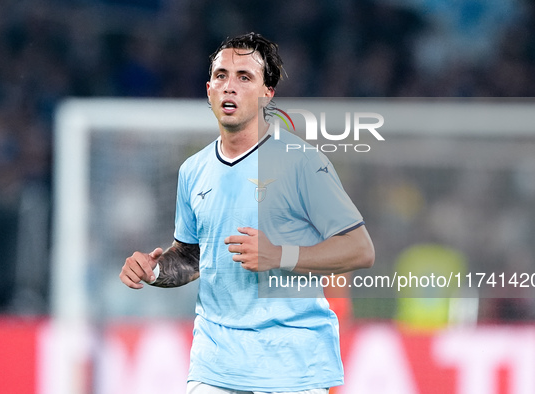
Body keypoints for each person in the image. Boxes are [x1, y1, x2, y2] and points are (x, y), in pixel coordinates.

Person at [120, 32, 375, 394]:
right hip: (216, 366)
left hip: (292, 367)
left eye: (245, 77)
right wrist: (154, 268)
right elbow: (193, 257)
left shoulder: (302, 163)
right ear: (208, 89)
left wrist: (279, 255)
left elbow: (361, 250)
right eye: (221, 76)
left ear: (267, 93)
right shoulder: (193, 170)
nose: (230, 86)